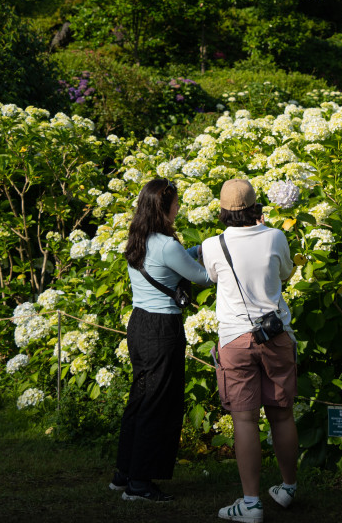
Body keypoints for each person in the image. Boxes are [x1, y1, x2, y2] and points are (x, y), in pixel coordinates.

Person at [201, 179, 299, 523]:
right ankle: (288, 488)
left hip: (234, 338)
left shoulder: (213, 244)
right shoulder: (275, 236)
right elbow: (285, 272)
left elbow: (214, 277)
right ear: (256, 206)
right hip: (275, 334)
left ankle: (251, 504)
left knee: (244, 420)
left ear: (223, 210)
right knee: (282, 415)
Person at [111, 178, 211, 502]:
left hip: (139, 323)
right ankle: (139, 483)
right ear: (164, 207)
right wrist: (222, 260)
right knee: (157, 403)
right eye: (176, 202)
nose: (179, 207)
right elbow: (202, 277)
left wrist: (195, 251)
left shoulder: (139, 238)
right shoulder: (168, 244)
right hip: (161, 328)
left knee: (140, 398)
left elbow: (173, 263)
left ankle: (124, 473)